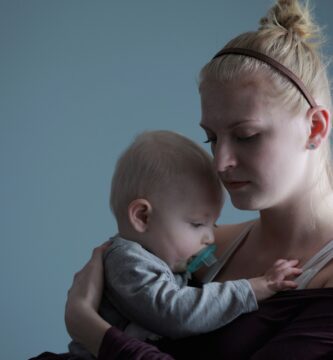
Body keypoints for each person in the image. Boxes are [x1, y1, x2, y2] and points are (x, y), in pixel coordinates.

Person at [31, 0, 333, 359]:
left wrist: (89, 329)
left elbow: (104, 325)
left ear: (314, 127)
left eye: (246, 135)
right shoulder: (202, 245)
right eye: (212, 138)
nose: (220, 162)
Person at [69, 130, 300, 359]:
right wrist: (254, 288)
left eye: (213, 225)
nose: (210, 238)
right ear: (142, 217)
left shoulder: (162, 261)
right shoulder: (128, 262)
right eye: (197, 223)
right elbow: (176, 312)